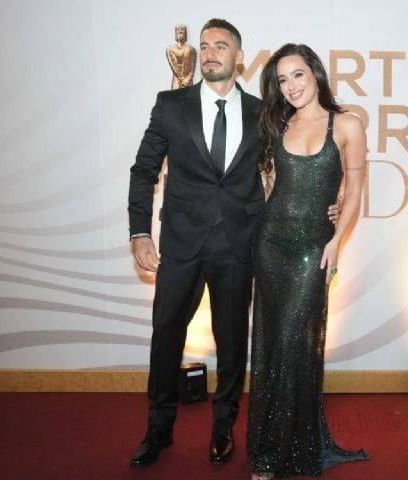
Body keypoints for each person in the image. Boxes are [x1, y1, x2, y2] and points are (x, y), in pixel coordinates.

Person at [127, 20, 339, 469]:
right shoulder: (170, 105)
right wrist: (139, 232)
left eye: (220, 46)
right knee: (166, 337)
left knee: (231, 342)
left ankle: (223, 428)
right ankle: (158, 428)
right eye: (204, 46)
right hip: (180, 244)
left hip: (239, 245)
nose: (209, 53)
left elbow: (294, 166)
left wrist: (329, 204)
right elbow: (144, 170)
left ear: (238, 57)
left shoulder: (264, 113)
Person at [246, 44, 368, 479]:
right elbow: (271, 188)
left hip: (313, 248)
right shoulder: (278, 126)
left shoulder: (347, 124)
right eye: (282, 80)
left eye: (297, 74)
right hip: (270, 244)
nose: (291, 86)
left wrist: (336, 242)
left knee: (295, 344)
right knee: (271, 345)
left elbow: (354, 192)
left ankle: (282, 450)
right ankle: (273, 448)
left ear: (314, 73)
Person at [166, 25, 197, 89]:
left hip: (188, 80)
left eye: (182, 30)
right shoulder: (170, 49)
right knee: (175, 94)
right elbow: (173, 66)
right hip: (177, 80)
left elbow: (192, 69)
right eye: (178, 30)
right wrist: (181, 79)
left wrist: (187, 79)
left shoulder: (191, 50)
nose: (180, 31)